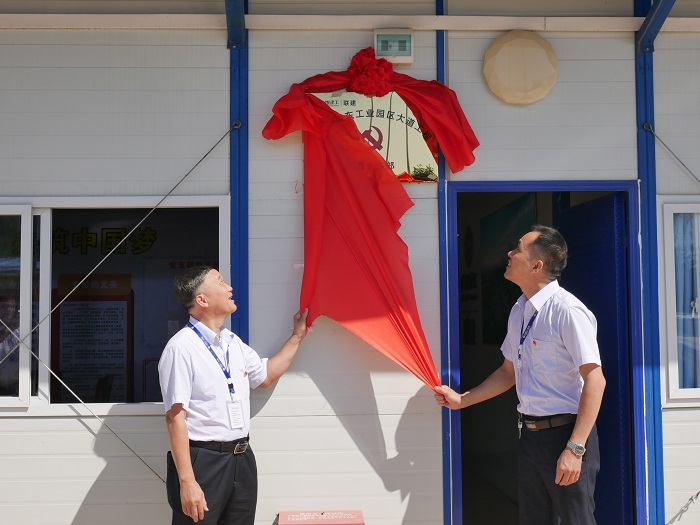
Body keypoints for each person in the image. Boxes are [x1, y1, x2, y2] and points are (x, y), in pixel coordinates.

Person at [435, 224, 606, 525]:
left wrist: (575, 448)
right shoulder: (520, 311)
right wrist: (462, 400)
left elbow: (596, 379)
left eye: (518, 249)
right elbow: (507, 372)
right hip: (530, 437)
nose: (510, 253)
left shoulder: (567, 311)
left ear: (537, 265)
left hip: (567, 436)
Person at [158, 265, 308, 525]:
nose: (229, 288)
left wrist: (297, 336)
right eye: (220, 282)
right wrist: (187, 481)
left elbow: (265, 376)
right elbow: (175, 417)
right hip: (203, 462)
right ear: (202, 300)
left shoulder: (232, 342)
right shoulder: (181, 348)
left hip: (242, 458)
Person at [0, 295, 20, 396]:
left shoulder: (19, 330)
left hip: (16, 387)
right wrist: (9, 329)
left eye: (11, 307)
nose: (8, 310)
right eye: (3, 306)